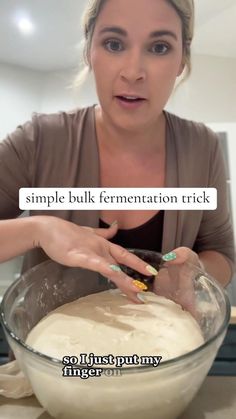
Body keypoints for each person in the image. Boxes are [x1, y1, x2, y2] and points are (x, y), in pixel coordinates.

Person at [0, 0, 234, 305]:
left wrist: (197, 271)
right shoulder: (39, 140)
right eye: (114, 43)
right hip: (48, 352)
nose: (133, 72)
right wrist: (36, 229)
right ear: (89, 51)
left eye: (160, 47)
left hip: (160, 351)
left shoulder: (202, 148)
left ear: (181, 60)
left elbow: (223, 254)